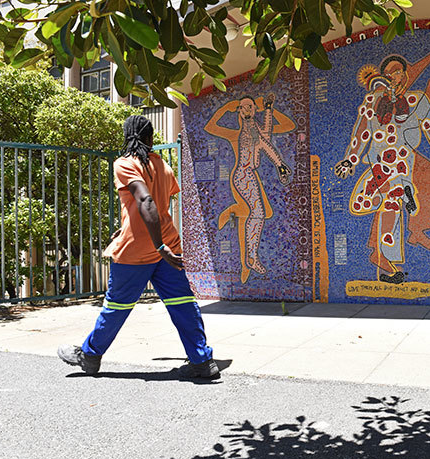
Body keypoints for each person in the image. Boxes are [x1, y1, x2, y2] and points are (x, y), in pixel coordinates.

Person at [58, 115, 218, 379]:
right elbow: (158, 204)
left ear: (128, 137)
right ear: (150, 137)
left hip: (141, 251)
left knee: (117, 305)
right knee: (183, 303)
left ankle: (90, 356)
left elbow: (146, 201)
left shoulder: (125, 164)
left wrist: (158, 246)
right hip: (167, 247)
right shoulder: (163, 165)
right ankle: (202, 361)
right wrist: (153, 240)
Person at [334, 50, 430, 284]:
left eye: (398, 71)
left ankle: (415, 232)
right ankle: (383, 258)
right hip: (382, 162)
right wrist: (351, 159)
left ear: (404, 74)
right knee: (391, 204)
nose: (393, 76)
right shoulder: (373, 102)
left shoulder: (416, 100)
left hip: (405, 160)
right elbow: (362, 132)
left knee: (427, 174)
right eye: (388, 73)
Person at [204, 93, 295, 283]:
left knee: (261, 214)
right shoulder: (236, 134)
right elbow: (209, 127)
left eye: (251, 107)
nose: (248, 109)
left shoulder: (256, 133)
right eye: (244, 106)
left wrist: (269, 108)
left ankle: (248, 257)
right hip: (241, 176)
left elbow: (281, 130)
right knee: (256, 213)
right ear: (238, 110)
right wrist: (225, 107)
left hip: (251, 176)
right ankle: (249, 259)